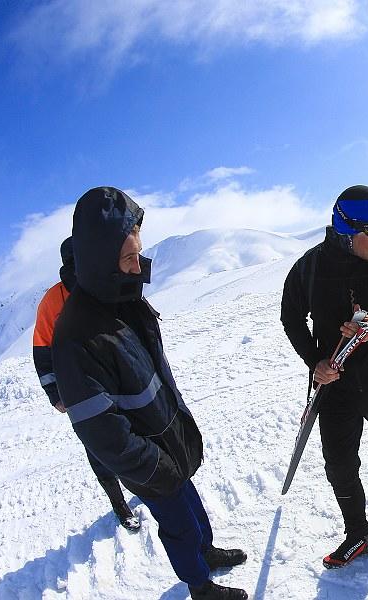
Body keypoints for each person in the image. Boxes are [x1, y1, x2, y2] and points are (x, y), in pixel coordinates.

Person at [51, 187, 248, 600]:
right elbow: (103, 434)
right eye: (128, 258)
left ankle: (206, 553)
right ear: (102, 261)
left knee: (193, 510)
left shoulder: (122, 297)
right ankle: (200, 587)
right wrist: (156, 467)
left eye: (137, 253)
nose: (138, 265)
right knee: (178, 525)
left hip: (167, 437)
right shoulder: (76, 337)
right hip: (148, 459)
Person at [280, 185, 368, 569]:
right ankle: (358, 533)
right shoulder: (309, 268)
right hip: (335, 385)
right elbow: (291, 318)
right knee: (339, 463)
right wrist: (315, 361)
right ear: (346, 229)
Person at [33, 236, 140, 531]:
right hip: (81, 387)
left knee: (121, 438)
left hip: (112, 377)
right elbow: (43, 351)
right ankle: (121, 504)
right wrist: (55, 393)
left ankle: (145, 485)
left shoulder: (104, 284)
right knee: (102, 446)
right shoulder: (53, 301)